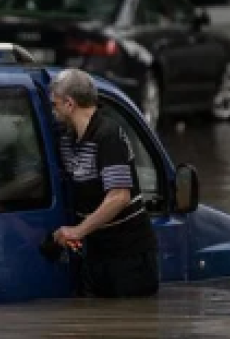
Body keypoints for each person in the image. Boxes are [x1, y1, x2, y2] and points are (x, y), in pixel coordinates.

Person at [50, 69, 159, 298]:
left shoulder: (107, 136)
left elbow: (119, 197)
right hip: (96, 252)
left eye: (55, 105)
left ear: (69, 104)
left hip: (128, 256)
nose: (52, 111)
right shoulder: (67, 137)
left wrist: (77, 232)